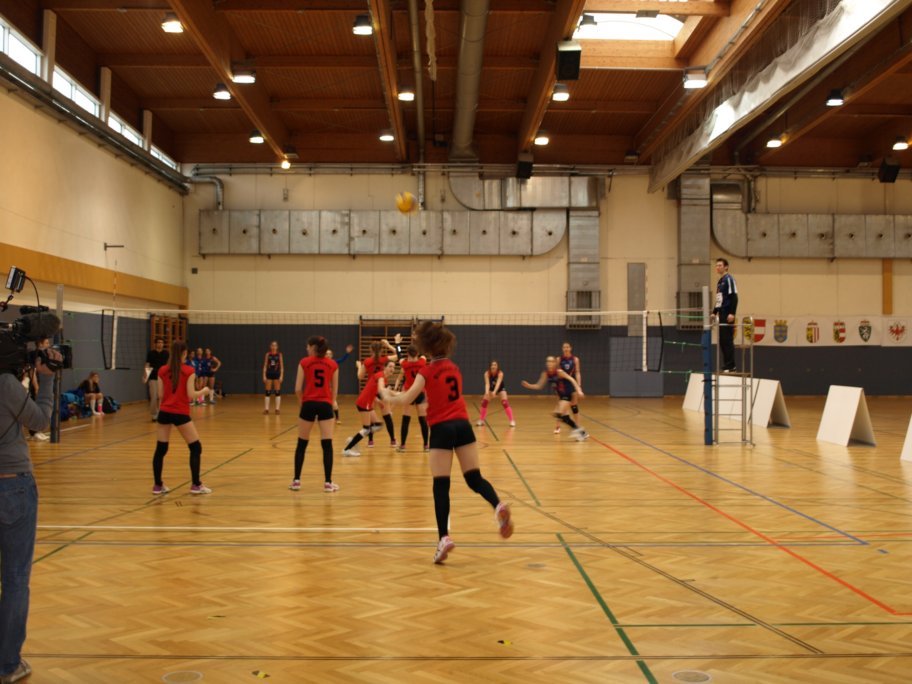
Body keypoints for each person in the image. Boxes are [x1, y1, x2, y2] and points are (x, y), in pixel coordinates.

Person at [382, 321, 513, 564]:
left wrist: (386, 394)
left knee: (440, 485)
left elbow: (407, 398)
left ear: (427, 346)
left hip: (441, 428)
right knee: (474, 478)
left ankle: (444, 538)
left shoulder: (426, 371)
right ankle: (497, 505)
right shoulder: (454, 368)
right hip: (463, 426)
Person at [0, 343, 61, 684]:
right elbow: (39, 420)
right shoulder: (6, 384)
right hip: (11, 485)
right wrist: (47, 378)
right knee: (14, 579)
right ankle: (7, 664)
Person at [152, 341, 212, 495]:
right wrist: (204, 391)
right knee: (195, 447)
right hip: (180, 412)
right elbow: (191, 395)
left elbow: (160, 395)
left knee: (161, 449)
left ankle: (158, 486)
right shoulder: (189, 370)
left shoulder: (162, 370)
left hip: (164, 412)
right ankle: (196, 485)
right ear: (184, 353)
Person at [291, 336, 339, 492]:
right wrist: (330, 403)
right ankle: (328, 483)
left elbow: (297, 389)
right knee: (327, 445)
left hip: (308, 404)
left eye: (308, 346)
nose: (306, 349)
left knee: (301, 444)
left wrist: (302, 403)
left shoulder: (304, 362)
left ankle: (296, 481)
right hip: (325, 404)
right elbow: (335, 390)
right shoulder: (333, 364)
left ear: (313, 348)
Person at [522, 357, 588, 441]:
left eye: (551, 361)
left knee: (559, 413)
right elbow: (539, 385)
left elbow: (571, 379)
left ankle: (579, 432)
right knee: (562, 416)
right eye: (548, 361)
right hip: (561, 396)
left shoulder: (559, 372)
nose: (549, 363)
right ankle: (581, 433)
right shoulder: (546, 373)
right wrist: (529, 386)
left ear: (555, 363)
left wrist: (579, 390)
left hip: (568, 393)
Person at [342, 359, 397, 457]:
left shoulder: (382, 377)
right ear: (385, 367)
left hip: (367, 402)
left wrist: (379, 401)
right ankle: (347, 449)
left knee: (378, 425)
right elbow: (381, 390)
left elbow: (374, 391)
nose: (392, 369)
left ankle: (354, 440)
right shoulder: (380, 377)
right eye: (390, 366)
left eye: (393, 367)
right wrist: (397, 394)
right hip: (364, 403)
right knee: (366, 429)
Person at [358, 342, 396, 447]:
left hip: (370, 390)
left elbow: (360, 377)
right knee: (387, 416)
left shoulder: (367, 361)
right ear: (381, 350)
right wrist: (388, 345)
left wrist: (359, 366)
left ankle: (370, 441)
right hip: (382, 389)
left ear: (370, 350)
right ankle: (393, 440)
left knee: (369, 415)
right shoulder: (384, 359)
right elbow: (398, 354)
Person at [396, 345, 428, 452]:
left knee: (406, 419)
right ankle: (426, 446)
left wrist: (398, 344)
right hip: (420, 392)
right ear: (417, 353)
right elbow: (424, 353)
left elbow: (399, 355)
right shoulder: (422, 362)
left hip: (409, 393)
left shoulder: (404, 364)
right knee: (423, 420)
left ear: (408, 354)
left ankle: (403, 446)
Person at [713, 257, 739, 372]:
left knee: (727, 340)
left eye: (720, 265)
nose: (717, 267)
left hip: (728, 314)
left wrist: (732, 313)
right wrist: (714, 312)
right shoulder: (720, 282)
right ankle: (726, 364)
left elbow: (734, 297)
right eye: (716, 265)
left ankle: (731, 365)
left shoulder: (729, 279)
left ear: (726, 267)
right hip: (721, 314)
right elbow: (719, 300)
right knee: (722, 340)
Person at [477, 360, 515, 428]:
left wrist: (494, 392)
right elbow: (487, 384)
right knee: (484, 402)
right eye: (492, 365)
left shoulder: (500, 373)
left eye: (495, 365)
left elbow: (498, 384)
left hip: (500, 388)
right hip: (491, 389)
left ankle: (512, 421)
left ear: (497, 367)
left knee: (505, 403)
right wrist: (486, 393)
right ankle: (481, 420)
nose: (493, 366)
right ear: (490, 366)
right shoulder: (487, 373)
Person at [556, 342, 582, 432]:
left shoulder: (575, 359)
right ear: (562, 349)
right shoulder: (559, 359)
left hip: (571, 383)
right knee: (561, 405)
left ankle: (578, 426)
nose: (566, 349)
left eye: (567, 347)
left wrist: (579, 386)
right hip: (562, 384)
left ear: (570, 348)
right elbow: (556, 372)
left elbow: (577, 372)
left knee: (574, 406)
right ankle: (557, 426)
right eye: (564, 347)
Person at [326, 344, 354, 423]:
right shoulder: (321, 363)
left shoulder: (334, 362)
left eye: (329, 354)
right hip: (323, 386)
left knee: (333, 401)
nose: (328, 355)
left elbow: (342, 359)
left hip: (330, 386)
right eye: (326, 354)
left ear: (332, 355)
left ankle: (337, 418)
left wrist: (347, 353)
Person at [144, 337, 168, 421]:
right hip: (153, 377)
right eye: (158, 342)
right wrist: (145, 376)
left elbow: (168, 365)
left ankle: (162, 413)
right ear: (155, 344)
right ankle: (154, 414)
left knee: (162, 397)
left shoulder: (166, 353)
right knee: (153, 397)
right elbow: (147, 365)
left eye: (161, 342)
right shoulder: (151, 353)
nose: (160, 344)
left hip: (163, 378)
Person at [262, 341, 284, 415]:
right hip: (269, 374)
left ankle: (277, 409)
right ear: (270, 346)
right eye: (272, 345)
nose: (274, 347)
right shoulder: (268, 354)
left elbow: (282, 366)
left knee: (277, 392)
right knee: (267, 392)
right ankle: (266, 409)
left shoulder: (279, 355)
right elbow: (265, 365)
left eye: (275, 345)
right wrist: (264, 375)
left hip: (277, 374)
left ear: (277, 347)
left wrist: (281, 376)